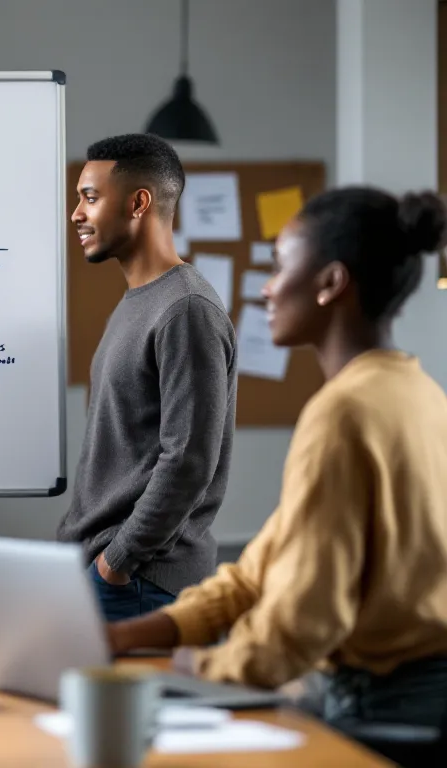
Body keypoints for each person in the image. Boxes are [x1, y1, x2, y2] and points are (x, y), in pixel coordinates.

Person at [108, 187, 447, 733]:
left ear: (330, 284)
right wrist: (142, 633)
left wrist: (204, 667)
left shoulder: (342, 414)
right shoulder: (422, 394)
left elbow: (305, 621)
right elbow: (260, 569)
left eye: (278, 266)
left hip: (381, 710)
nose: (265, 291)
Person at [57, 133, 238, 622]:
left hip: (140, 582)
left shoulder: (186, 309)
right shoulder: (142, 301)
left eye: (90, 198)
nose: (76, 213)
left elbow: (189, 460)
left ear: (138, 203)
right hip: (110, 576)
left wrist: (117, 562)